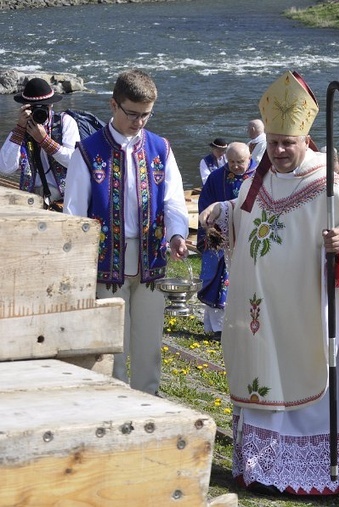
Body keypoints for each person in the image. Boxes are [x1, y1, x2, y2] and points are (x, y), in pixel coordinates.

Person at [198, 70, 339, 495]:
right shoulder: (256, 180)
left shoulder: (326, 186)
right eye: (275, 143)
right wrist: (221, 214)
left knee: (307, 378)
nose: (281, 151)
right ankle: (263, 469)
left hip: (308, 313)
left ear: (306, 140)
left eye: (289, 143)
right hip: (262, 314)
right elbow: (244, 220)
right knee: (264, 377)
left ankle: (317, 471)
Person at [63, 69, 189, 395]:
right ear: (113, 105)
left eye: (146, 115)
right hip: (106, 262)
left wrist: (176, 234)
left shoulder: (160, 148)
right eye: (132, 114)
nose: (139, 122)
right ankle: (114, 405)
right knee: (112, 346)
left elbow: (174, 200)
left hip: (151, 259)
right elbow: (74, 213)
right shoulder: (88, 152)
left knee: (149, 344)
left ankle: (148, 402)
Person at [197, 142, 255, 340]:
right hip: (221, 238)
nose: (236, 166)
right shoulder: (216, 177)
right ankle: (217, 327)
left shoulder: (261, 177)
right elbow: (205, 203)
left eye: (240, 162)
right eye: (231, 162)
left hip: (249, 236)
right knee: (217, 281)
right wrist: (209, 226)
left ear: (250, 158)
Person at [0, 77, 80, 208]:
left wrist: (45, 141)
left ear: (51, 105)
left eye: (44, 107)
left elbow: (75, 161)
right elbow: (5, 168)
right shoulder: (22, 129)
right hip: (31, 197)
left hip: (63, 197)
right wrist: (20, 129)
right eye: (34, 108)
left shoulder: (65, 122)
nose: (40, 112)